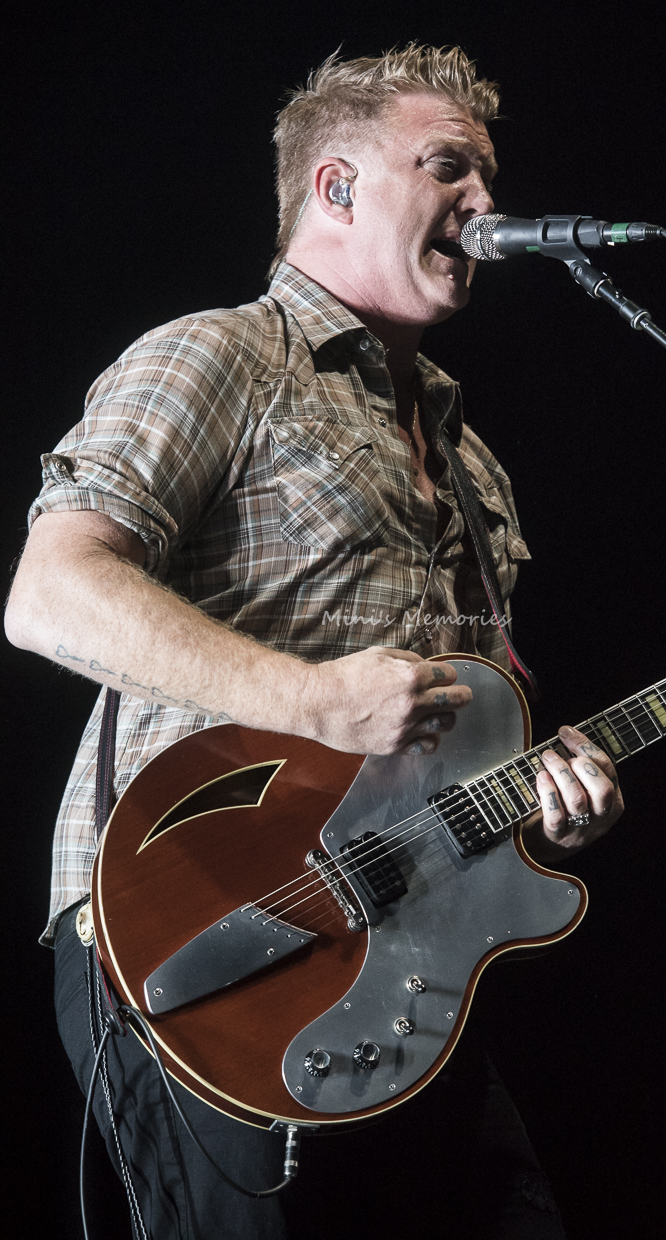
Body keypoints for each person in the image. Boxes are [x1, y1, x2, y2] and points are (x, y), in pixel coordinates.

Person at [5, 45, 623, 1240]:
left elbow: (471, 722)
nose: (485, 203)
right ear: (335, 187)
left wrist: (545, 799)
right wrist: (313, 699)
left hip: (407, 966)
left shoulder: (473, 459)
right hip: (204, 938)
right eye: (449, 168)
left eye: (489, 178)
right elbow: (50, 593)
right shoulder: (219, 356)